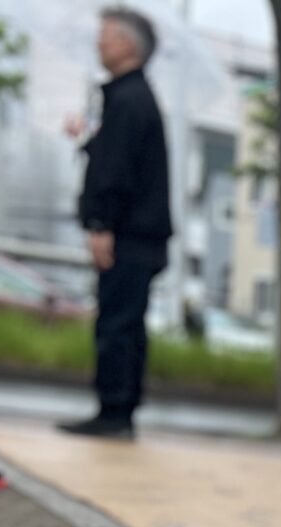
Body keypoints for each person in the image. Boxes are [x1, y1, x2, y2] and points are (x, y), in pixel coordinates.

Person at [58, 6, 171, 440]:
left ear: (127, 43)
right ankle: (119, 408)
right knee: (126, 322)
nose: (98, 42)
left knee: (118, 323)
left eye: (105, 35)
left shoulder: (128, 99)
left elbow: (118, 171)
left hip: (129, 233)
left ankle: (115, 411)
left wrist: (101, 224)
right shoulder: (132, 98)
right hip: (140, 233)